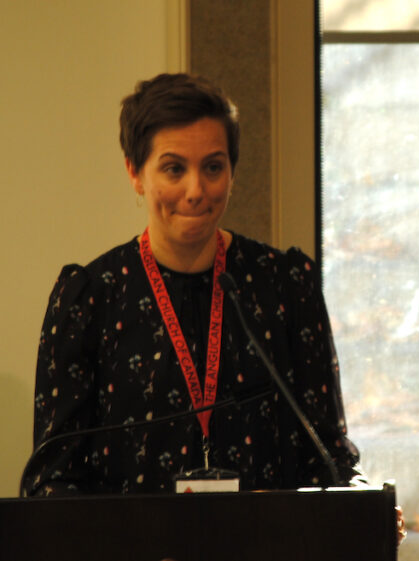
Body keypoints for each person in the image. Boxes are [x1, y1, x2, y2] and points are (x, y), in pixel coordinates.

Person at [23, 73, 364, 496]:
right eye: (174, 169)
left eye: (213, 167)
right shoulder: (90, 299)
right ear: (135, 173)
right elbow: (53, 480)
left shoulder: (285, 286)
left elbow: (329, 461)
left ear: (232, 172)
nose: (196, 190)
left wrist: (364, 506)